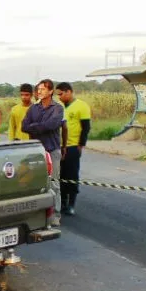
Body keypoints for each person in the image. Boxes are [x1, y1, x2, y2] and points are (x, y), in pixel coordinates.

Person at [21, 79, 65, 226]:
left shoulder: (58, 108)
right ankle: (36, 214)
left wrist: (35, 126)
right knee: (34, 182)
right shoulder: (33, 108)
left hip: (52, 150)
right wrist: (40, 126)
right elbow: (24, 126)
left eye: (43, 89)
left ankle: (55, 215)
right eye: (38, 89)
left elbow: (52, 124)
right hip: (36, 151)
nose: (39, 92)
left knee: (53, 183)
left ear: (51, 91)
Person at [56, 81, 91, 215]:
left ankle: (71, 204)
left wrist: (80, 145)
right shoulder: (58, 106)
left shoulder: (82, 106)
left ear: (69, 92)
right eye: (58, 94)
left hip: (73, 147)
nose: (59, 97)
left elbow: (86, 128)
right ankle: (62, 202)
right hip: (59, 146)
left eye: (61, 94)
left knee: (71, 176)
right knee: (61, 175)